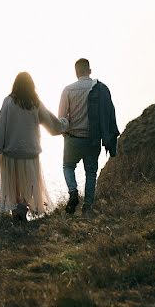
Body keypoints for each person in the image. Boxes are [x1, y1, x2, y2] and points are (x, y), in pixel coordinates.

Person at [0, 72, 67, 221]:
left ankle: (17, 215)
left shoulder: (8, 102)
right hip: (30, 152)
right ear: (31, 86)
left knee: (13, 187)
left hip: (11, 153)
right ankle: (22, 213)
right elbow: (52, 125)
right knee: (28, 186)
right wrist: (65, 124)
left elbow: (0, 126)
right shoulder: (35, 103)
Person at [58, 58, 119, 215]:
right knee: (91, 172)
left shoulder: (68, 90)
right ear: (89, 71)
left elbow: (62, 120)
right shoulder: (100, 88)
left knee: (68, 166)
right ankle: (88, 208)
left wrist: (64, 133)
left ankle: (73, 192)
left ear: (76, 72)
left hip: (73, 138)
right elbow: (109, 113)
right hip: (93, 140)